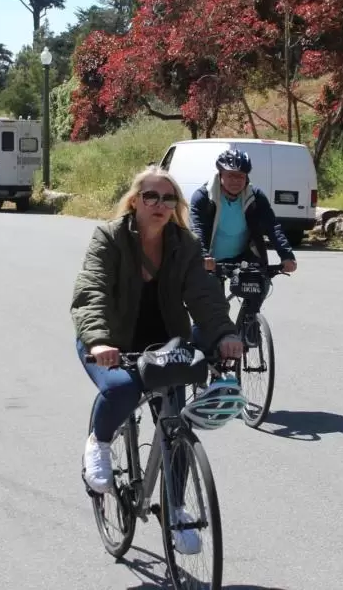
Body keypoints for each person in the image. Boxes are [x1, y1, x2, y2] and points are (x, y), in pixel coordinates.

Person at [70, 165, 244, 554]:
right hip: (111, 341)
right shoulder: (109, 238)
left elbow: (204, 295)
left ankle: (177, 509)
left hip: (164, 345)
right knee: (120, 389)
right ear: (135, 201)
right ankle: (98, 444)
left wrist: (226, 334)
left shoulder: (184, 244)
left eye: (168, 198)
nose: (160, 205)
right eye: (151, 196)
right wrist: (98, 342)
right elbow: (91, 290)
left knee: (174, 427)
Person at [189, 149, 297, 275]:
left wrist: (286, 254)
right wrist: (203, 255)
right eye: (230, 175)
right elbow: (197, 229)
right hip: (210, 259)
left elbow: (272, 226)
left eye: (240, 176)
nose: (236, 181)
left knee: (256, 290)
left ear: (246, 177)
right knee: (212, 293)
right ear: (220, 174)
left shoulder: (255, 196)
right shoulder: (203, 197)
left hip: (244, 258)